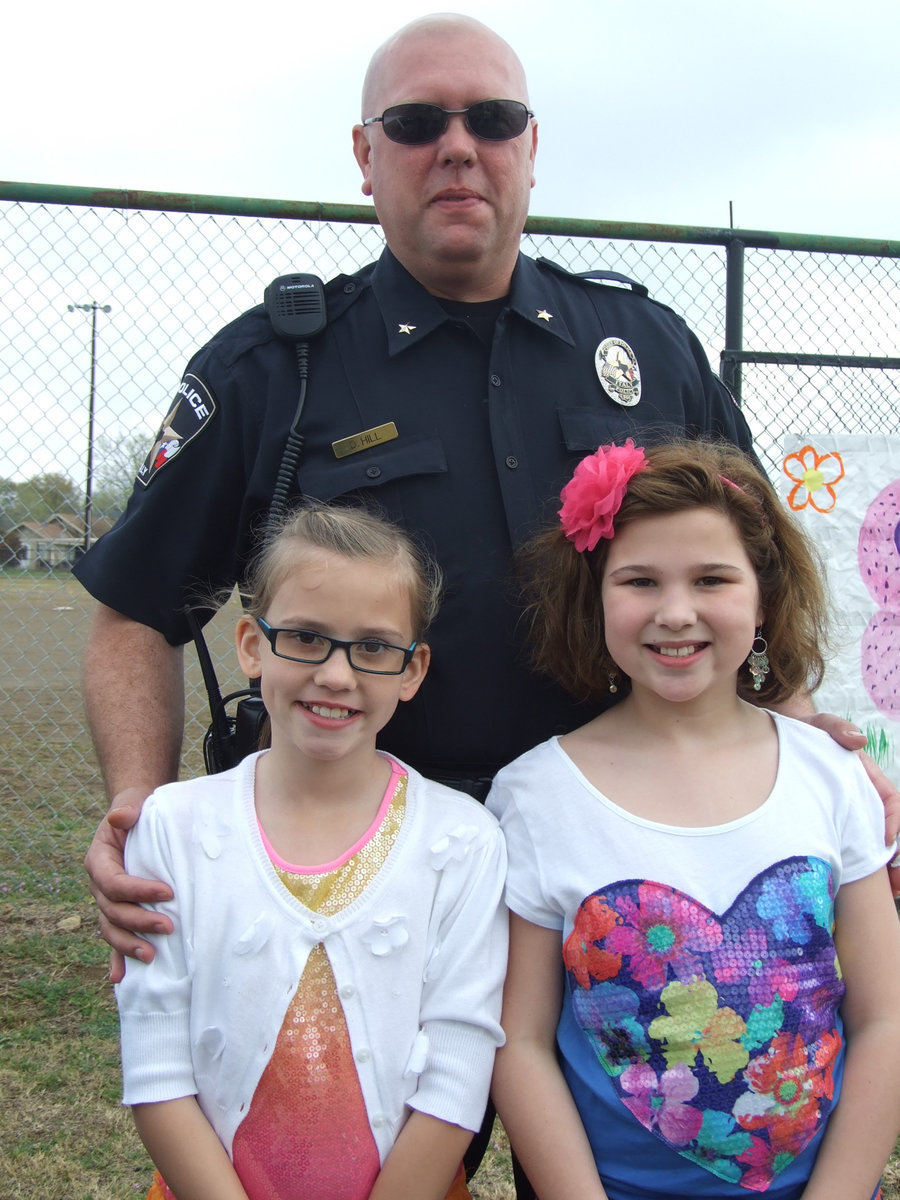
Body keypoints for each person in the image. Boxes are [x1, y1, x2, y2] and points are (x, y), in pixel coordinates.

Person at [74, 11, 897, 977]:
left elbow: (745, 572)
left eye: (494, 119)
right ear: (365, 155)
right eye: (418, 123)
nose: (459, 148)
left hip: (628, 866)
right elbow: (136, 610)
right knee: (380, 1131)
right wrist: (137, 805)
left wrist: (795, 718)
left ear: (532, 148)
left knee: (620, 1128)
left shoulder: (648, 349)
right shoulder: (275, 373)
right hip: (369, 867)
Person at [488, 439, 900, 1200]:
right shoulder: (535, 797)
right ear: (595, 597)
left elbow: (886, 1020)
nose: (675, 612)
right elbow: (521, 1045)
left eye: (711, 578)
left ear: (764, 597)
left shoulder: (831, 780)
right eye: (640, 581)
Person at [115, 501, 508, 1200]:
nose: (336, 673)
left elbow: (459, 1070)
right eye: (305, 637)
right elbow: (156, 1072)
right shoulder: (173, 829)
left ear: (413, 669)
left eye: (374, 647)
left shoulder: (462, 842)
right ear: (251, 644)